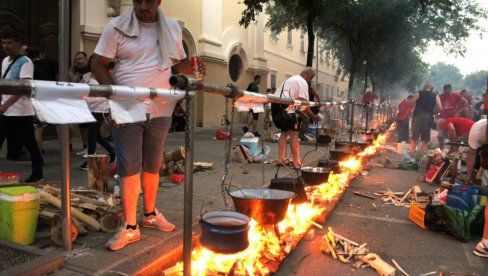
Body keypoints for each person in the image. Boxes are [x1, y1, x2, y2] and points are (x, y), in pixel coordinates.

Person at [91, 0, 191, 251]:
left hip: (161, 106)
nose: (143, 6)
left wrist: (185, 81)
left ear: (159, 1)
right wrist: (113, 97)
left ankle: (149, 214)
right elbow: (96, 62)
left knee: (153, 164)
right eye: (138, 0)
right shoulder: (116, 27)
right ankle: (130, 227)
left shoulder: (172, 28)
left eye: (149, 0)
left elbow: (177, 65)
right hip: (127, 105)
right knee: (129, 165)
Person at [0, 31, 44, 183]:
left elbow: (23, 88)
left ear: (19, 44)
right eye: (4, 42)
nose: (6, 46)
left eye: (9, 42)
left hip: (21, 111)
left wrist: (5, 105)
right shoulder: (5, 60)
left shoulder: (26, 62)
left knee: (30, 143)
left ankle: (38, 173)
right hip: (6, 110)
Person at [273, 67, 319, 169]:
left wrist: (300, 113)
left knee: (284, 132)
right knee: (294, 133)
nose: (310, 80)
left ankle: (281, 158)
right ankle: (296, 162)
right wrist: (313, 116)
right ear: (306, 74)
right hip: (285, 105)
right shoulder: (301, 81)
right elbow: (304, 103)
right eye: (311, 77)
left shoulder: (292, 79)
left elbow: (294, 101)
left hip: (276, 104)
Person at [78, 55, 116, 170]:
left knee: (91, 133)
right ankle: (112, 151)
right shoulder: (87, 76)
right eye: (92, 62)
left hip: (101, 108)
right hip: (89, 107)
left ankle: (91, 160)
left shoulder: (107, 75)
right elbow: (78, 87)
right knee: (96, 135)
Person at [27, 47, 59, 153]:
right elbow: (63, 75)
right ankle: (66, 148)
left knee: (38, 128)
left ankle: (38, 154)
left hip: (36, 96)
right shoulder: (50, 63)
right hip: (52, 96)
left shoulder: (29, 65)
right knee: (60, 123)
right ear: (41, 54)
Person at [464, 117, 487, 257]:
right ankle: (485, 242)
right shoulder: (478, 129)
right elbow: (471, 155)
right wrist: (468, 177)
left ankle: (485, 242)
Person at [410, 82, 442, 157]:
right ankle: (422, 157)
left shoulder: (419, 93)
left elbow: (412, 103)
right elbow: (440, 108)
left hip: (418, 115)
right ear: (432, 88)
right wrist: (435, 112)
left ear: (424, 87)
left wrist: (413, 109)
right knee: (425, 138)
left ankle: (412, 155)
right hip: (428, 117)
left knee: (414, 136)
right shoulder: (435, 95)